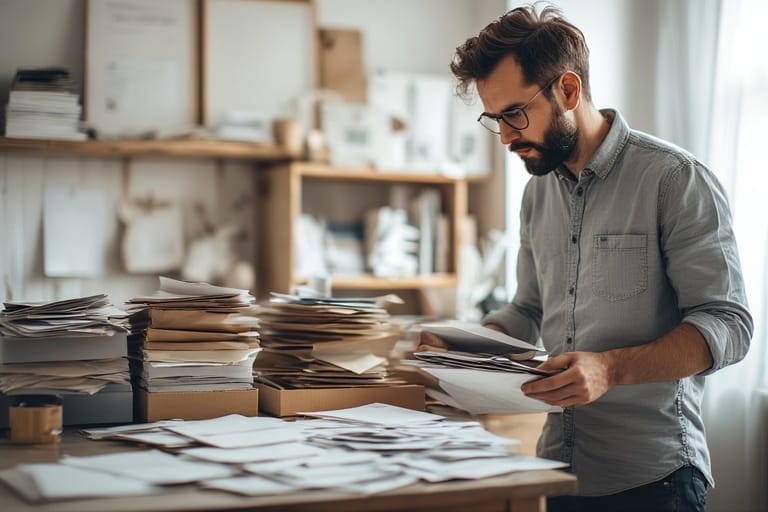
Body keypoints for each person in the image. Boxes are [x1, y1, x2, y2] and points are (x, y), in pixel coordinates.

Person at [418, 5, 753, 512]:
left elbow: (729, 325)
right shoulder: (536, 193)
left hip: (655, 482)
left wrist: (610, 370)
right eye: (495, 119)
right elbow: (528, 311)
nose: (506, 137)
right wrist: (464, 345)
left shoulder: (675, 180)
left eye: (514, 114)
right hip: (557, 472)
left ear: (568, 91)